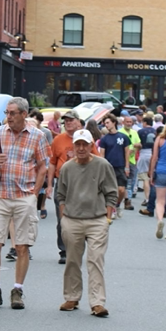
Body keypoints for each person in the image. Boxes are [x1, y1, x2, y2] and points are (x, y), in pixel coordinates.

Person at [0, 97, 50, 310]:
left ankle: (17, 290)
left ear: (23, 114)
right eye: (6, 113)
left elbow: (43, 166)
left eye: (12, 113)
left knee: (22, 246)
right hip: (1, 194)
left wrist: (35, 192)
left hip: (24, 196)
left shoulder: (37, 136)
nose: (8, 117)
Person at [56, 128, 118, 317]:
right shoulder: (67, 167)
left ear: (92, 145)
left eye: (85, 144)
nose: (81, 148)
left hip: (97, 219)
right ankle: (72, 297)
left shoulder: (102, 165)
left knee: (95, 260)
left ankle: (97, 302)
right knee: (72, 261)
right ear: (73, 146)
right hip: (72, 219)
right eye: (78, 144)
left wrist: (107, 218)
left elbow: (111, 193)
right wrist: (64, 218)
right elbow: (61, 195)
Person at [47, 111, 97, 264]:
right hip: (62, 183)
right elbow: (52, 162)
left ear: (78, 122)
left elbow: (97, 160)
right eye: (66, 121)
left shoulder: (86, 138)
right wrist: (49, 184)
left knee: (80, 217)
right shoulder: (58, 140)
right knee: (62, 218)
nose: (68, 123)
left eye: (71, 120)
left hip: (82, 183)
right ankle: (64, 251)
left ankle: (78, 247)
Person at [98, 115, 130, 217]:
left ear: (113, 123)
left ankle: (117, 204)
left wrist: (127, 166)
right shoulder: (104, 139)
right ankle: (111, 208)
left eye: (108, 123)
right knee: (109, 190)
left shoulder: (123, 137)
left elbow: (127, 153)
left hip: (120, 166)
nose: (106, 125)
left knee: (121, 189)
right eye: (105, 124)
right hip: (108, 167)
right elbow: (102, 154)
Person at [136, 114, 157, 216]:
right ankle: (152, 198)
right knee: (152, 177)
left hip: (144, 153)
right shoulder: (155, 131)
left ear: (144, 123)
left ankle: (148, 197)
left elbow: (138, 144)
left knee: (145, 177)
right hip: (153, 153)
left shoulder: (140, 131)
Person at [119, 114, 141, 208]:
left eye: (130, 122)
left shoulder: (134, 132)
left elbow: (140, 144)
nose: (129, 124)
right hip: (122, 161)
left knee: (130, 181)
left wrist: (137, 146)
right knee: (122, 181)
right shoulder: (120, 133)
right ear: (123, 123)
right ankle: (123, 199)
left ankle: (128, 200)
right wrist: (128, 150)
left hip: (132, 160)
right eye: (127, 122)